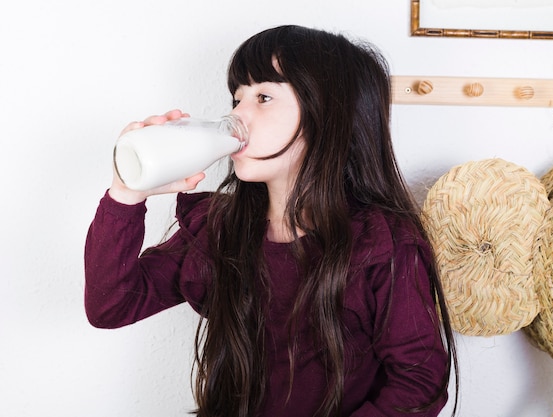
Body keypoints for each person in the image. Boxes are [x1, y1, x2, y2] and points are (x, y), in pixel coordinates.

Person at [84, 25, 457, 417]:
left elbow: (419, 382)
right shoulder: (221, 228)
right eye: (237, 97)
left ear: (327, 117)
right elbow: (110, 306)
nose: (238, 114)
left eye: (263, 97)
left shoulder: (381, 243)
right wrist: (127, 193)